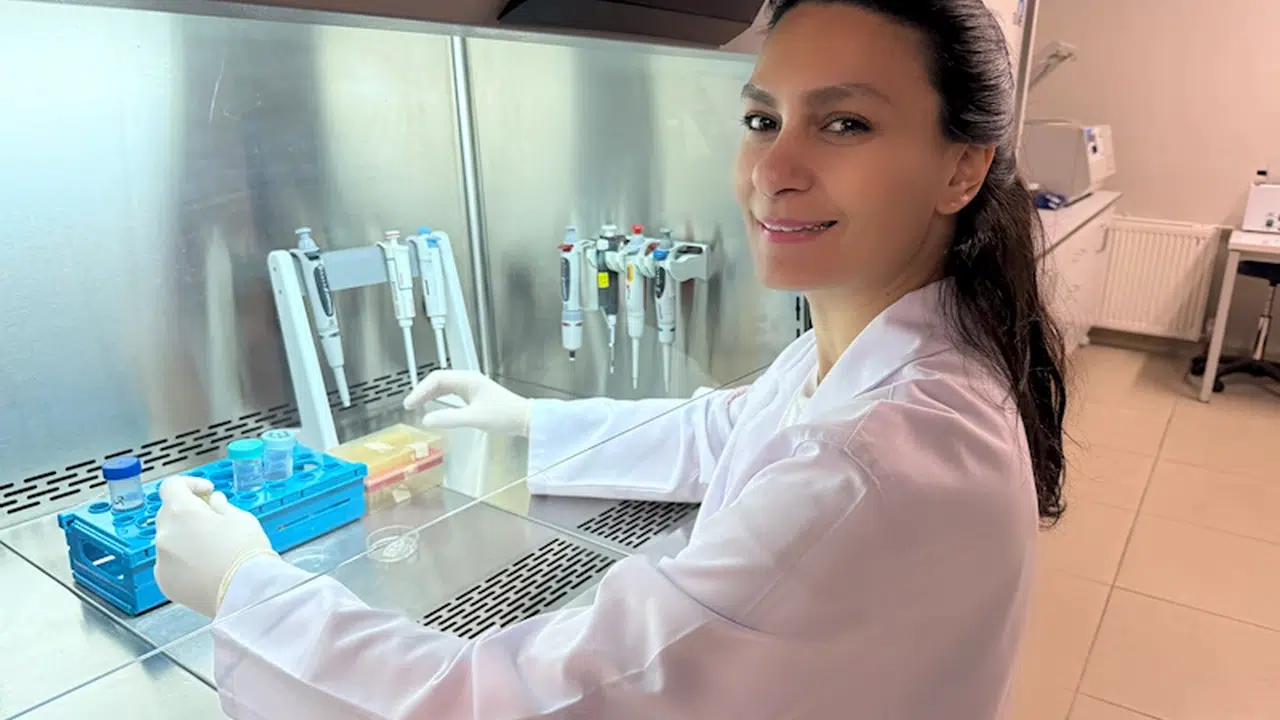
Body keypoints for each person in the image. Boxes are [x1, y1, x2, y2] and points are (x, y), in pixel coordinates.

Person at [154, 0, 1068, 716]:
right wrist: (528, 418)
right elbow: (725, 430)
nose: (773, 170)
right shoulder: (881, 357)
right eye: (762, 120)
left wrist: (247, 591)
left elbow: (504, 704)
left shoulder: (872, 466)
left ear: (961, 168)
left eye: (845, 125)